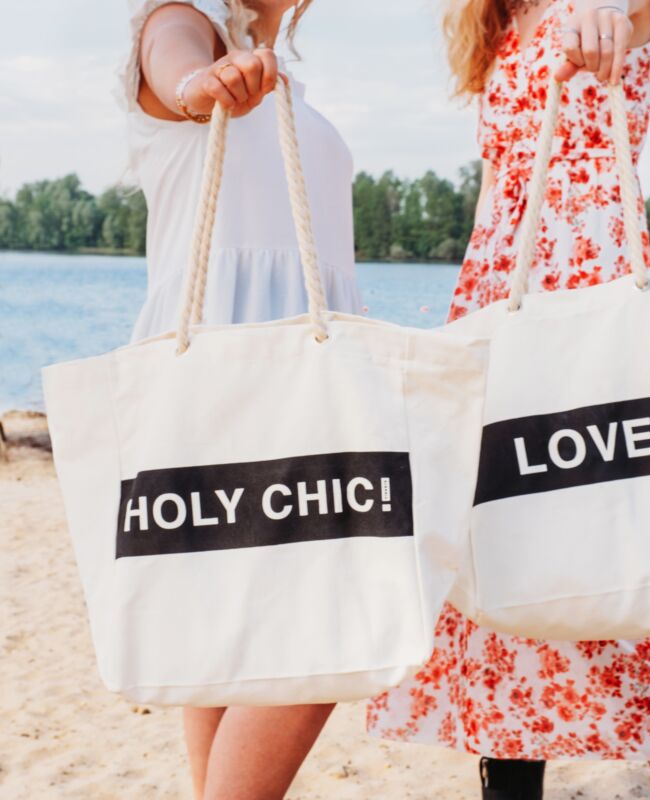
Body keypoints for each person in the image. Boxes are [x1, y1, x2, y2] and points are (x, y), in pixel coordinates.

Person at [367, 2, 650, 798]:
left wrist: (604, 21)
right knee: (496, 549)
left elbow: (626, 17)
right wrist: (464, 326)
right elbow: (498, 185)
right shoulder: (499, 23)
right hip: (499, 295)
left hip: (585, 288)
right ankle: (519, 780)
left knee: (590, 548)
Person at [117, 1, 360, 797]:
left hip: (295, 364)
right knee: (334, 629)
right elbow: (173, 67)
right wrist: (201, 81)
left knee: (225, 631)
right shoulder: (184, 19)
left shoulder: (275, 62)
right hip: (231, 362)